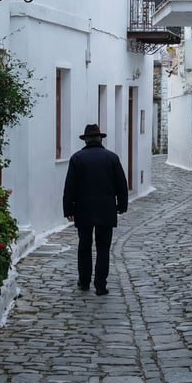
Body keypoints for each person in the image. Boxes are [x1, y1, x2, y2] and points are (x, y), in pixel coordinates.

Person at [62, 123, 128, 295]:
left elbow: (70, 186)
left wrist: (68, 209)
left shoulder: (77, 158)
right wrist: (121, 206)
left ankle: (84, 282)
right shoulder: (112, 158)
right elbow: (121, 184)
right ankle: (100, 285)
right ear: (100, 138)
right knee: (103, 247)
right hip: (106, 209)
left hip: (83, 209)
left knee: (84, 245)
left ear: (86, 140)